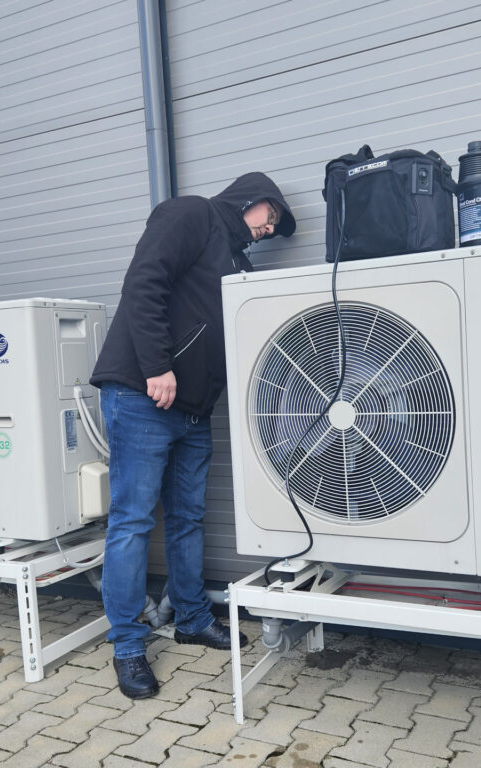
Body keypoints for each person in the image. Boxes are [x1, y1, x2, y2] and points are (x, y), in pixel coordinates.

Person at [90, 172, 296, 699]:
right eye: (270, 217)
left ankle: (191, 617)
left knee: (187, 518)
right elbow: (144, 284)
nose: (269, 229)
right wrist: (157, 366)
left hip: (193, 412)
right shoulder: (190, 214)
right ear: (252, 198)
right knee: (133, 520)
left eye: (274, 227)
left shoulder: (237, 262)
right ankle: (128, 645)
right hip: (143, 393)